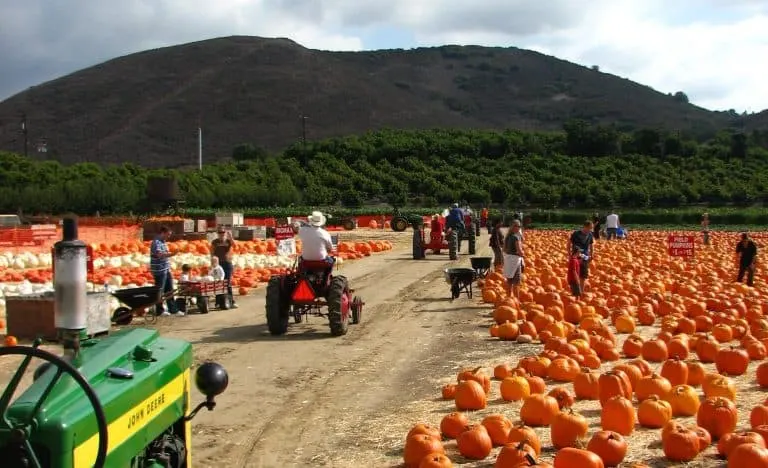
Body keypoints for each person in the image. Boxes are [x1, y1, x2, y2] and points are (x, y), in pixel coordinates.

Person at [150, 226, 183, 317]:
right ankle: (159, 311)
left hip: (166, 269)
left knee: (169, 289)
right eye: (168, 234)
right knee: (160, 290)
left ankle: (173, 309)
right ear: (163, 233)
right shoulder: (156, 242)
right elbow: (159, 254)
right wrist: (172, 254)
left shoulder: (163, 242)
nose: (169, 236)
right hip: (159, 270)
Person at [211, 227, 238, 308]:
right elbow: (211, 252)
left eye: (223, 232)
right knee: (218, 282)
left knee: (228, 283)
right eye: (220, 233)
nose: (221, 234)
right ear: (217, 233)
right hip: (218, 264)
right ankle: (218, 302)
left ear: (225, 233)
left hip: (227, 263)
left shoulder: (228, 241)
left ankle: (231, 301)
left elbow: (235, 246)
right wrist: (212, 263)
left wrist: (231, 237)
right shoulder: (215, 242)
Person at [568, 221, 594, 293]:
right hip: (576, 257)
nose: (591, 229)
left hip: (585, 257)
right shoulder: (576, 234)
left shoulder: (590, 235)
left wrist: (591, 255)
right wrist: (569, 254)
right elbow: (569, 243)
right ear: (585, 227)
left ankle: (581, 292)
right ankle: (574, 293)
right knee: (574, 275)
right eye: (590, 228)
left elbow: (591, 245)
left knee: (583, 275)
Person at [503, 220, 524, 299]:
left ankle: (508, 299)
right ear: (513, 227)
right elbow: (520, 251)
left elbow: (504, 250)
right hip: (515, 261)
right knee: (516, 282)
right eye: (518, 226)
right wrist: (523, 254)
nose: (519, 228)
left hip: (508, 260)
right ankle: (516, 301)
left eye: (519, 226)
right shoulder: (516, 237)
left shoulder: (508, 236)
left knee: (509, 281)